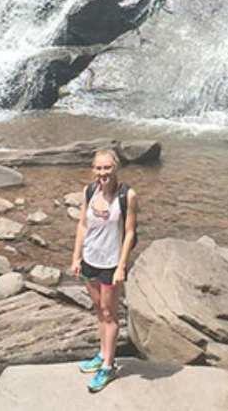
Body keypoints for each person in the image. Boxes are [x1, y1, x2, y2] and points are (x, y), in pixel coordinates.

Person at [70, 149, 138, 393]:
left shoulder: (127, 196)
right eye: (98, 168)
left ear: (116, 167)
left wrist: (122, 265)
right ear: (93, 169)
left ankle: (108, 366)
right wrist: (76, 256)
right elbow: (82, 224)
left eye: (107, 168)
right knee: (99, 310)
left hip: (111, 264)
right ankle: (102, 354)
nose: (102, 173)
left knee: (110, 313)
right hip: (90, 260)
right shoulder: (89, 191)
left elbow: (129, 233)